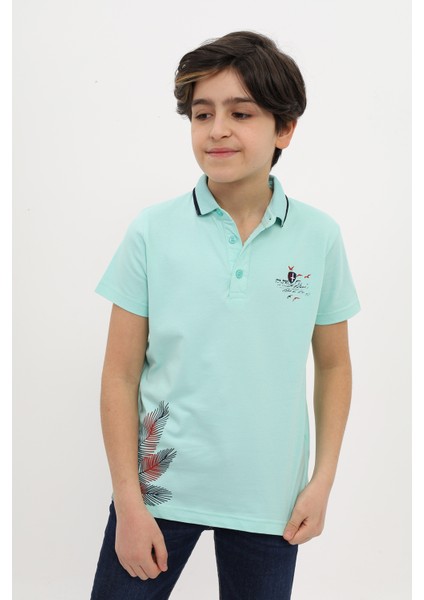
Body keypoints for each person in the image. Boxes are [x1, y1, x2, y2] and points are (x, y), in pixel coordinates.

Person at [90, 31, 361, 600]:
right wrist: (129, 505)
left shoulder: (319, 236)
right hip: (159, 493)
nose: (217, 129)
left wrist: (322, 483)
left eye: (241, 113)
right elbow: (119, 374)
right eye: (202, 113)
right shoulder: (151, 232)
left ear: (284, 128)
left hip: (271, 500)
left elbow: (335, 366)